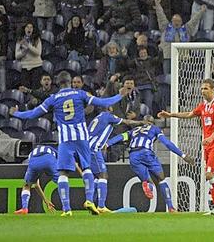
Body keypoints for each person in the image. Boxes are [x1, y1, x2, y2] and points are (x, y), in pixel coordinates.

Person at [10, 71, 130, 216]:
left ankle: (67, 209)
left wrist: (16, 113)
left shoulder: (53, 98)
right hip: (81, 138)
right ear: (70, 81)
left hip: (65, 141)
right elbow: (103, 102)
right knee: (86, 169)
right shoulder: (80, 94)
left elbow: (33, 114)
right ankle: (89, 200)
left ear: (57, 83)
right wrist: (119, 95)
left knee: (62, 173)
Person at [157, 79, 214, 215]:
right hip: (208, 145)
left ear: (213, 89)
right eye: (202, 88)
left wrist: (211, 137)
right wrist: (171, 115)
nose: (203, 91)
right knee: (210, 176)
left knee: (210, 175)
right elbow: (189, 114)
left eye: (206, 88)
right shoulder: (203, 105)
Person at [106, 115, 194, 212]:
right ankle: (170, 207)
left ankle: (149, 185)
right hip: (146, 153)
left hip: (133, 156)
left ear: (144, 121)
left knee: (148, 180)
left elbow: (121, 137)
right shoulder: (155, 129)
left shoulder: (134, 130)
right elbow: (167, 144)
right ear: (152, 122)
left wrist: (108, 143)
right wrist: (183, 155)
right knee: (161, 178)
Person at [87, 111, 142, 213]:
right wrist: (142, 122)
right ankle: (101, 206)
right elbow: (127, 122)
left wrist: (107, 143)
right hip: (94, 149)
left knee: (96, 177)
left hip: (87, 148)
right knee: (103, 175)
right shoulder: (108, 116)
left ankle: (91, 203)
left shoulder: (98, 117)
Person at [14, 145, 58, 215]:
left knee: (26, 185)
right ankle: (66, 208)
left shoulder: (31, 154)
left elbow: (36, 184)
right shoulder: (51, 149)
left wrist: (45, 201)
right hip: (49, 159)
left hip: (34, 162)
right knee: (61, 182)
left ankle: (24, 208)